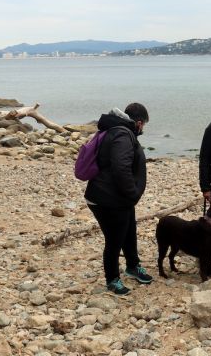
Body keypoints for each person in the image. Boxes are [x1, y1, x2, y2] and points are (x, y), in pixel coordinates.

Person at [85, 103, 152, 295]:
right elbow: (120, 167)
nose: (143, 129)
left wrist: (130, 198)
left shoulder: (117, 131)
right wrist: (132, 193)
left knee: (129, 231)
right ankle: (112, 279)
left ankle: (133, 266)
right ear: (139, 123)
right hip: (108, 199)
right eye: (144, 125)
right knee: (114, 239)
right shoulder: (123, 134)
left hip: (116, 198)